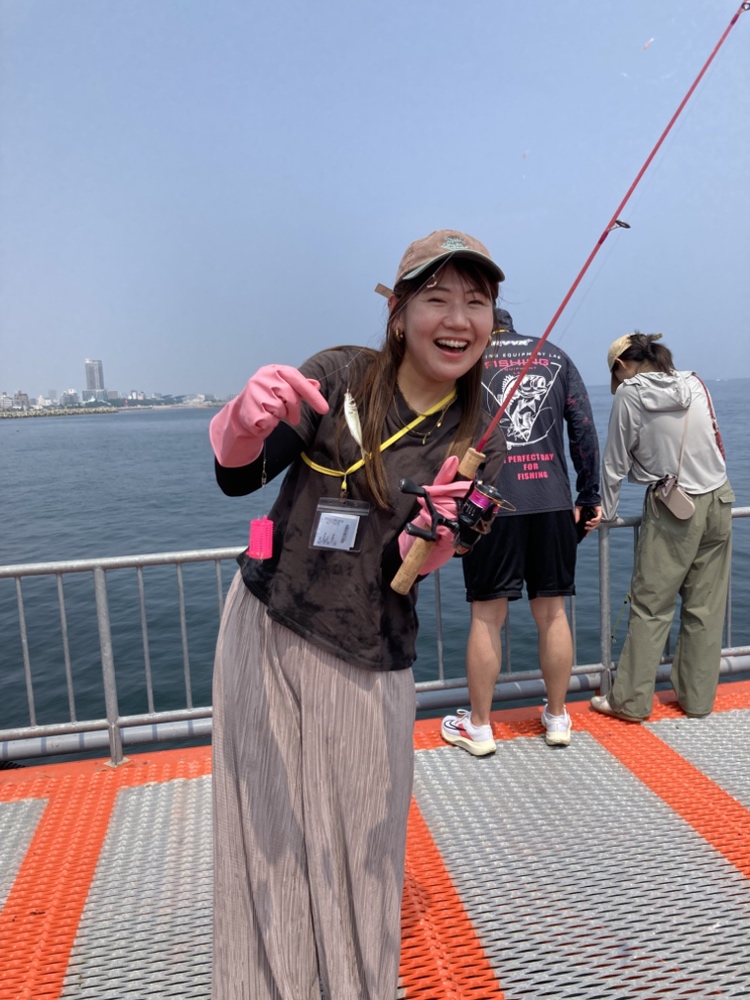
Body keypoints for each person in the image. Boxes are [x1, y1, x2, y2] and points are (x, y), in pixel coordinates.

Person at [208, 230, 507, 1000]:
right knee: (264, 838)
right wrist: (242, 418)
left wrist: (436, 537)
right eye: (437, 297)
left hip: (370, 650)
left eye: (476, 301)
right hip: (267, 624)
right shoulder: (340, 374)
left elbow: (425, 560)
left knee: (363, 855)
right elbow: (238, 474)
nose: (458, 318)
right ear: (399, 311)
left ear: (491, 320)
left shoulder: (481, 426)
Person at [441, 308, 601, 755]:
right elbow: (583, 430)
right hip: (552, 502)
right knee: (552, 614)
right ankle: (557, 717)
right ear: (512, 326)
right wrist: (589, 495)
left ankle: (479, 726)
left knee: (486, 618)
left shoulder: (468, 360)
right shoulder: (554, 355)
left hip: (489, 504)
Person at [590, 332, 733, 723]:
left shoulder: (630, 394)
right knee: (705, 608)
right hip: (720, 499)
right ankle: (697, 700)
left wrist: (607, 514)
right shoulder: (694, 382)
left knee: (651, 607)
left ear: (622, 366)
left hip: (674, 507)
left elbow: (614, 463)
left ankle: (630, 702)